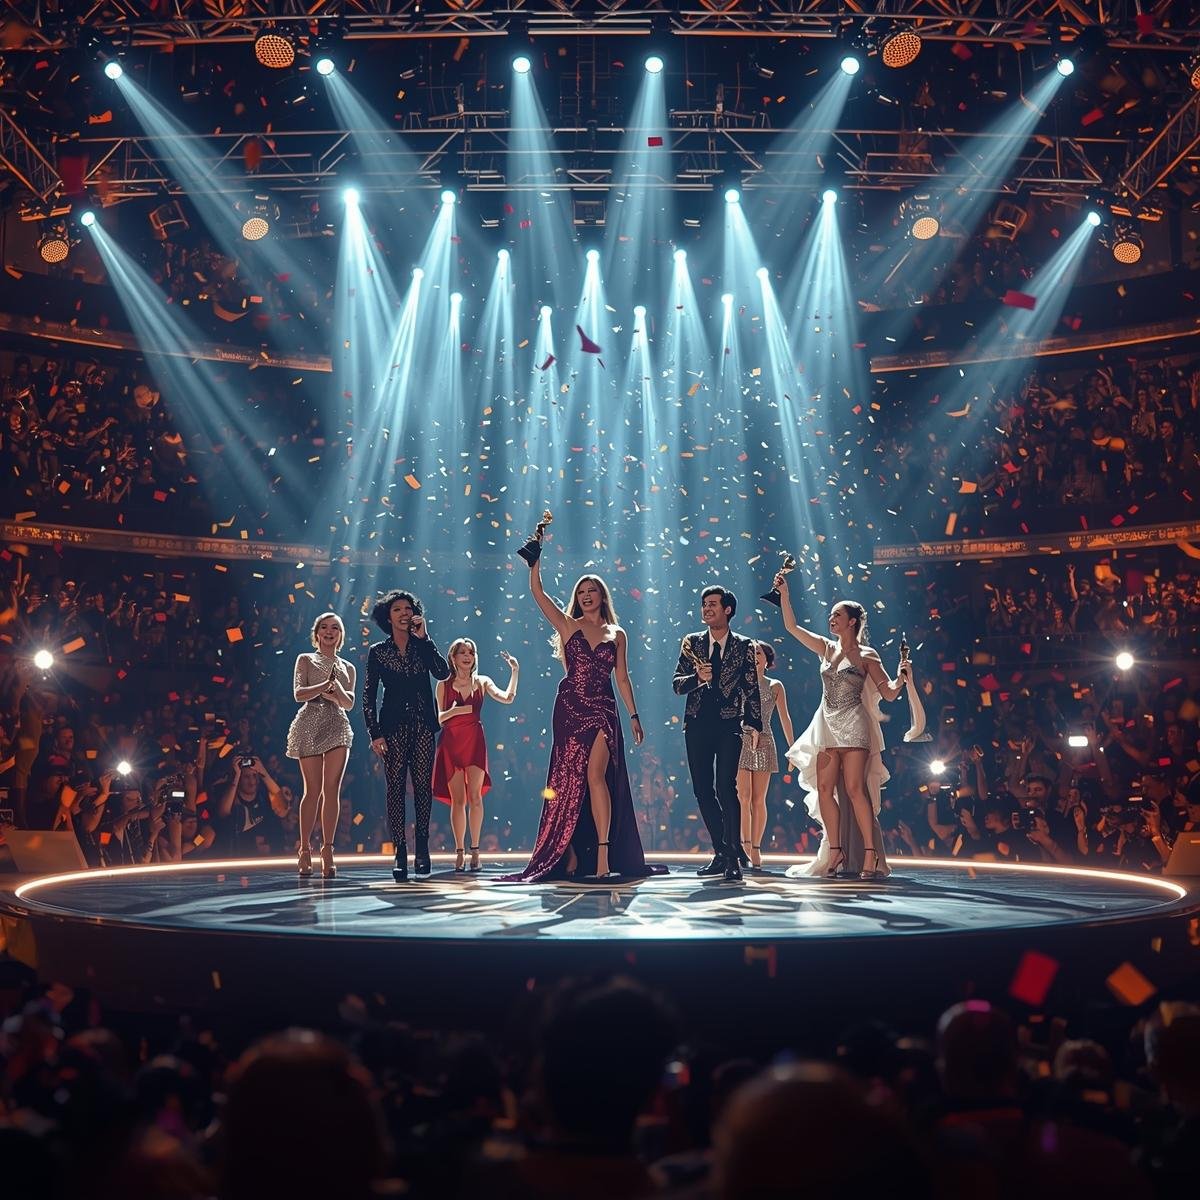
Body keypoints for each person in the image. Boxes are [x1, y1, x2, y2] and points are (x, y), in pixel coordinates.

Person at [505, 561, 649, 882]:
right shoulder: (568, 624)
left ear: (602, 595)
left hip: (603, 708)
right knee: (568, 780)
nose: (585, 595)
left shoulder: (617, 633)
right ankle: (566, 849)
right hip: (570, 708)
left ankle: (603, 854)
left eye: (591, 590)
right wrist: (535, 564)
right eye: (581, 591)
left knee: (596, 775)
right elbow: (538, 593)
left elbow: (622, 678)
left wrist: (634, 715)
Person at [772, 573, 909, 880]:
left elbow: (888, 693)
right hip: (826, 725)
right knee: (824, 790)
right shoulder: (825, 648)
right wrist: (785, 595)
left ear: (852, 622)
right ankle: (835, 850)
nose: (831, 619)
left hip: (854, 725)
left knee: (855, 789)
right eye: (831, 615)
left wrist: (902, 678)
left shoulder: (867, 655)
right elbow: (792, 628)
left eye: (837, 615)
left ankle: (871, 854)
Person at [673, 584, 763, 882]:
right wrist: (696, 678)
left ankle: (734, 855)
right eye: (704, 604)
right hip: (697, 724)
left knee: (726, 786)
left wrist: (755, 724)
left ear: (728, 609)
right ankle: (721, 852)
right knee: (702, 790)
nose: (707, 609)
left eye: (713, 604)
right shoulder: (691, 643)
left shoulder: (744, 646)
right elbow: (676, 684)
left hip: (728, 724)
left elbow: (751, 687)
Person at [363, 590, 450, 882]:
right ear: (388, 617)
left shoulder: (422, 646)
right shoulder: (378, 652)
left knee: (423, 787)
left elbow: (442, 672)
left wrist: (425, 639)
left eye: (408, 608)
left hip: (423, 725)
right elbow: (368, 696)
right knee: (395, 788)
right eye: (397, 609)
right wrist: (375, 733)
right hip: (393, 727)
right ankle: (400, 851)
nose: (404, 613)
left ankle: (422, 847)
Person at [433, 638, 518, 871]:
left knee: (475, 797)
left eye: (471, 652)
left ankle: (476, 851)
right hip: (451, 743)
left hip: (474, 742)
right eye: (462, 652)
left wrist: (514, 671)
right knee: (458, 801)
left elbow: (508, 698)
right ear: (453, 657)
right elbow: (439, 718)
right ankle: (460, 851)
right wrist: (457, 710)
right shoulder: (443, 685)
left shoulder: (482, 682)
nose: (467, 656)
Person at [286, 612, 355, 879]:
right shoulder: (305, 659)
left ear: (341, 634)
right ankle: (304, 849)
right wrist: (324, 685)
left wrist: (336, 689)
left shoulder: (348, 667)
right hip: (310, 725)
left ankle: (328, 850)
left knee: (332, 788)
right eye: (324, 627)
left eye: (335, 627)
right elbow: (298, 693)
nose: (329, 631)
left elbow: (348, 703)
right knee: (312, 790)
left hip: (337, 725)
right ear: (317, 634)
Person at [736, 641, 794, 870]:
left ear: (767, 659)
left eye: (758, 652)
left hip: (765, 742)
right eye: (750, 653)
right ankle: (744, 846)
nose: (754, 656)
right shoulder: (739, 682)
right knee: (743, 797)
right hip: (741, 740)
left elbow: (785, 718)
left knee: (759, 799)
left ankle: (756, 848)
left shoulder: (775, 685)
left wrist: (792, 749)